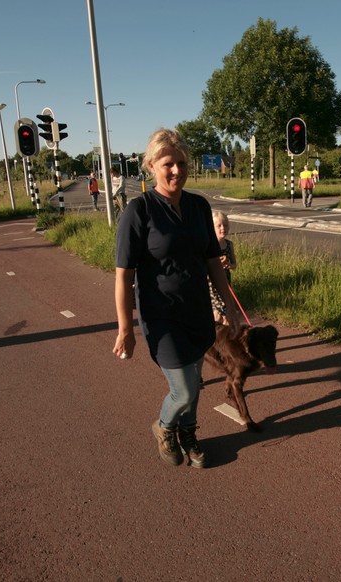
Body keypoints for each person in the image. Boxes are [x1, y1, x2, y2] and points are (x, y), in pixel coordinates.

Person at [113, 128, 240, 469]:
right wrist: (125, 328)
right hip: (161, 317)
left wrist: (229, 307)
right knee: (183, 389)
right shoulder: (139, 211)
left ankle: (188, 432)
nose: (176, 171)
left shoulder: (199, 206)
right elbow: (123, 275)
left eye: (181, 163)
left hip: (197, 311)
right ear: (151, 166)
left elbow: (213, 262)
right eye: (168, 163)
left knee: (194, 382)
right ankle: (165, 426)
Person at [208, 211, 237, 325]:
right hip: (212, 285)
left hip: (225, 283)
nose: (223, 228)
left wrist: (228, 265)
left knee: (225, 313)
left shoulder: (229, 245)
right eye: (219, 226)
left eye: (225, 225)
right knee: (218, 315)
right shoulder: (209, 245)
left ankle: (225, 332)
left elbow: (234, 265)